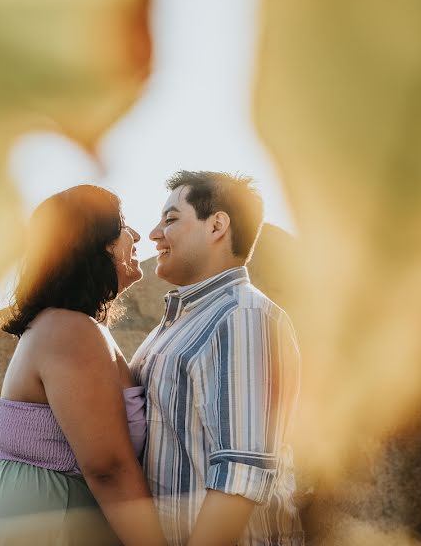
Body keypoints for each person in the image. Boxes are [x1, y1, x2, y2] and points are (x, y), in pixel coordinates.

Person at [0, 185, 167, 546]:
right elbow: (107, 468)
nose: (137, 235)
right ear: (94, 244)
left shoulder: (66, 327)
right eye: (123, 225)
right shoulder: (69, 329)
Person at [129, 171, 303, 545]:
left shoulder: (243, 316)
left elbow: (240, 472)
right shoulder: (181, 322)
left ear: (217, 226)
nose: (155, 233)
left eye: (171, 219)